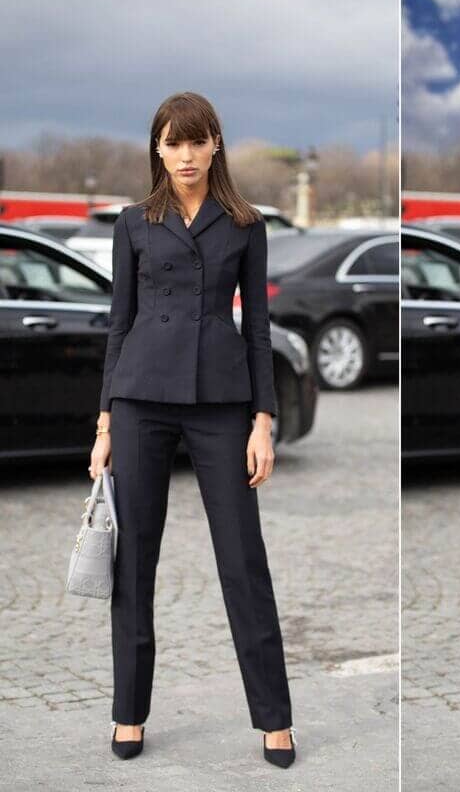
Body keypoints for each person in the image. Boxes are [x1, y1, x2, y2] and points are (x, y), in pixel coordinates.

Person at [88, 91, 295, 768]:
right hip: (141, 399)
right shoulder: (133, 224)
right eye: (172, 143)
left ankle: (274, 718)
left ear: (215, 146)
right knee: (134, 561)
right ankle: (128, 712)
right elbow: (119, 324)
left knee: (243, 559)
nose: (184, 155)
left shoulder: (243, 224)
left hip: (221, 404)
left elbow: (259, 331)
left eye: (195, 142)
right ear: (158, 149)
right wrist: (105, 422)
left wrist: (264, 420)